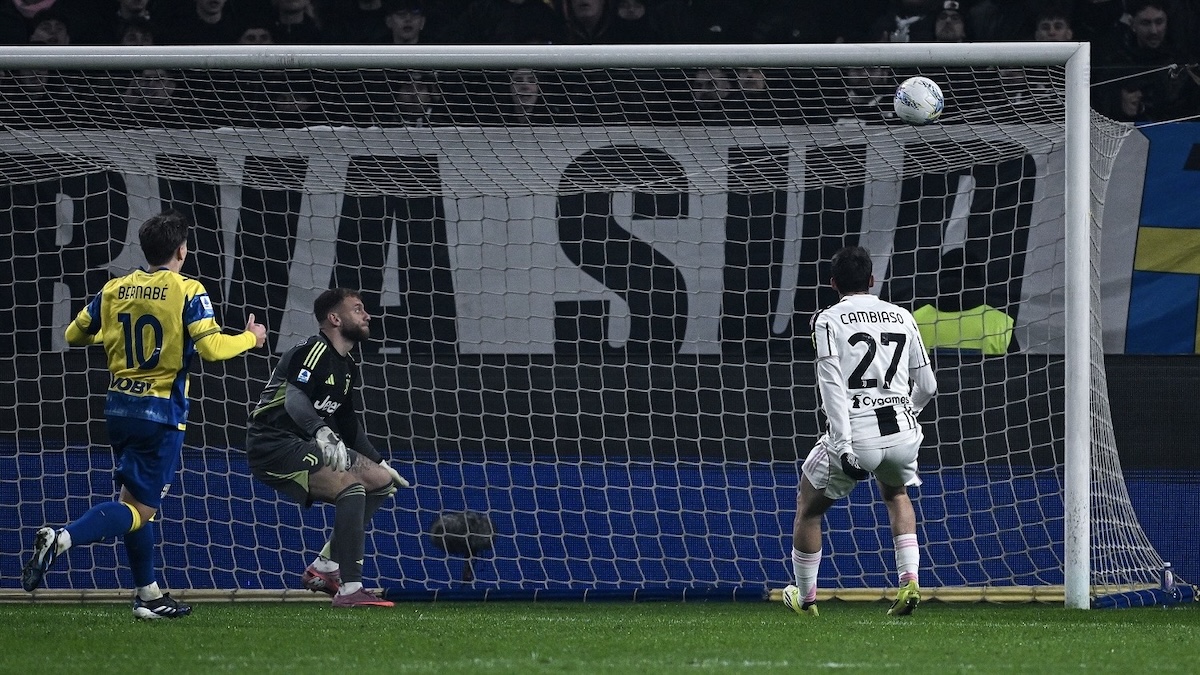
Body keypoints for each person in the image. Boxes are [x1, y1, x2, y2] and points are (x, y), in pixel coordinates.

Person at [21, 210, 267, 619]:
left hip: (119, 409)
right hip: (161, 414)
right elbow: (211, 350)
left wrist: (112, 333)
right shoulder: (188, 290)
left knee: (132, 503)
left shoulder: (116, 287)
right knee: (139, 512)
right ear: (182, 251)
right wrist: (250, 338)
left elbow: (73, 334)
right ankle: (61, 537)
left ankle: (148, 596)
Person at [783, 246, 938, 617]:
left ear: (833, 283)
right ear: (872, 280)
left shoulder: (827, 320)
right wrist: (907, 412)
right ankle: (910, 582)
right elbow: (929, 386)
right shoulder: (902, 316)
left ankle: (805, 599)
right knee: (897, 494)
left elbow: (832, 386)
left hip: (857, 433)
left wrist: (844, 443)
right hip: (903, 432)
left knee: (808, 507)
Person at [245, 288, 410, 608]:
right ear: (335, 318)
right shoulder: (312, 351)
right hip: (272, 444)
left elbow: (348, 423)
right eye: (358, 309)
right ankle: (350, 589)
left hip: (305, 441)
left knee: (380, 482)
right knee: (352, 490)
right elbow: (294, 399)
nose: (368, 316)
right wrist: (319, 429)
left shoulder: (347, 366)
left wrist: (380, 461)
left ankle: (324, 568)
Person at [913, 248, 1016, 356]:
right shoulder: (1001, 324)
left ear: (939, 275)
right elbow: (1016, 367)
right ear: (979, 278)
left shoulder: (914, 320)